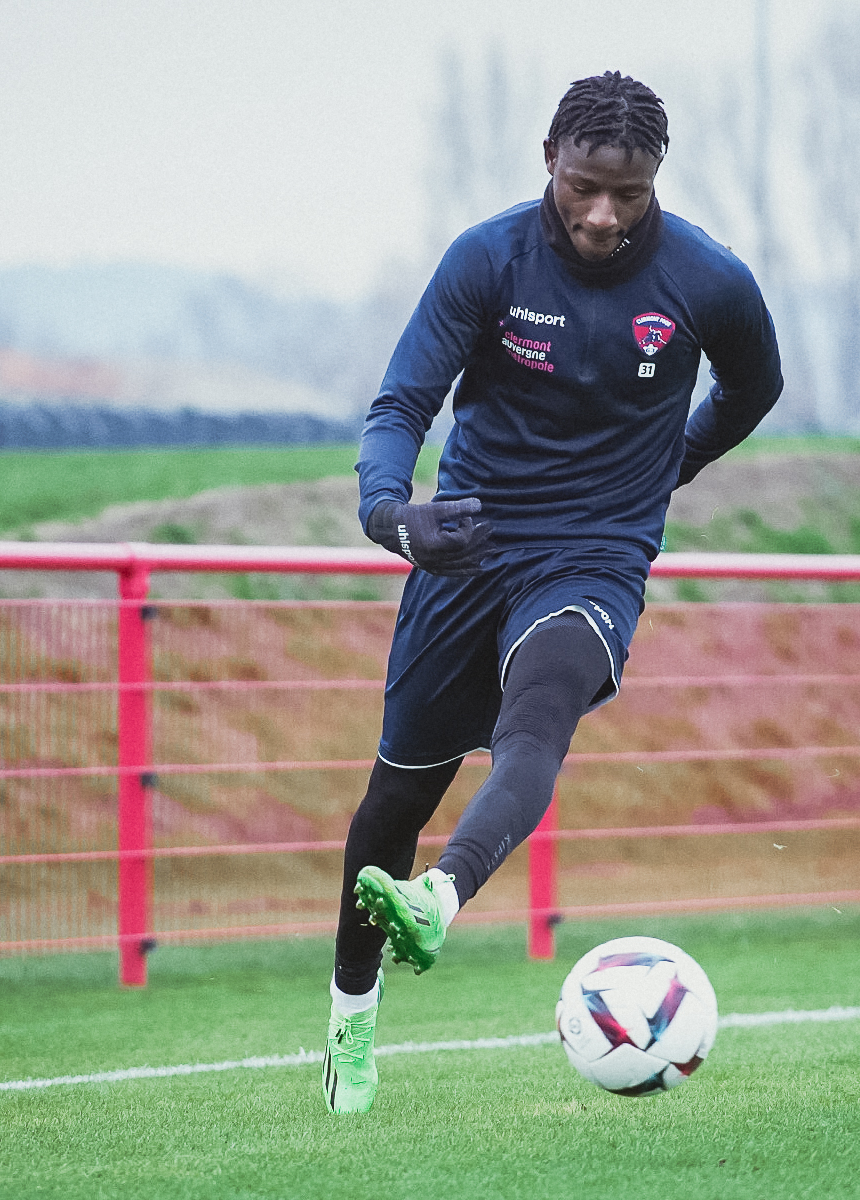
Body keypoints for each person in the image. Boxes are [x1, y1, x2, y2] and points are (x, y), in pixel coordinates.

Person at [321, 71, 784, 1112]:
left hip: (595, 556)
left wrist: (680, 464)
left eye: (627, 193)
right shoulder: (487, 260)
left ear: (657, 176)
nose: (603, 216)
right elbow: (401, 402)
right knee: (394, 798)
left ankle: (440, 898)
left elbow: (757, 386)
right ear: (549, 160)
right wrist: (393, 516)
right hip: (468, 549)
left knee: (539, 721)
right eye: (583, 188)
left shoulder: (707, 280)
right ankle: (351, 1025)